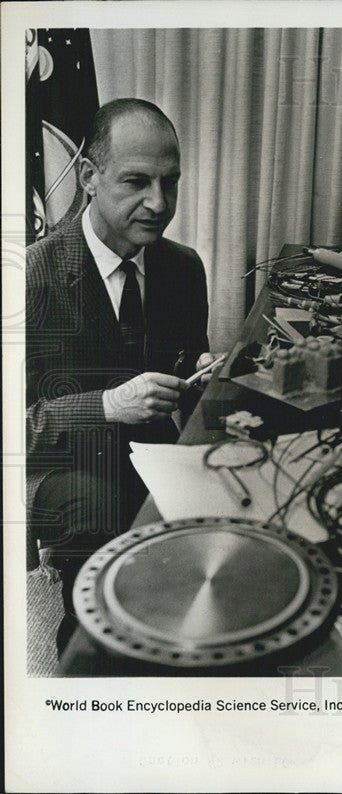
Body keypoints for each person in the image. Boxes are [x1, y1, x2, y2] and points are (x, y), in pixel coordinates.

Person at [26, 98, 212, 647]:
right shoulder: (27, 281)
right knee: (110, 599)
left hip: (154, 451)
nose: (158, 203)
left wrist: (206, 375)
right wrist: (107, 405)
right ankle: (84, 663)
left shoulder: (183, 267)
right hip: (68, 468)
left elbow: (187, 374)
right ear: (88, 176)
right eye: (136, 182)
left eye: (170, 183)